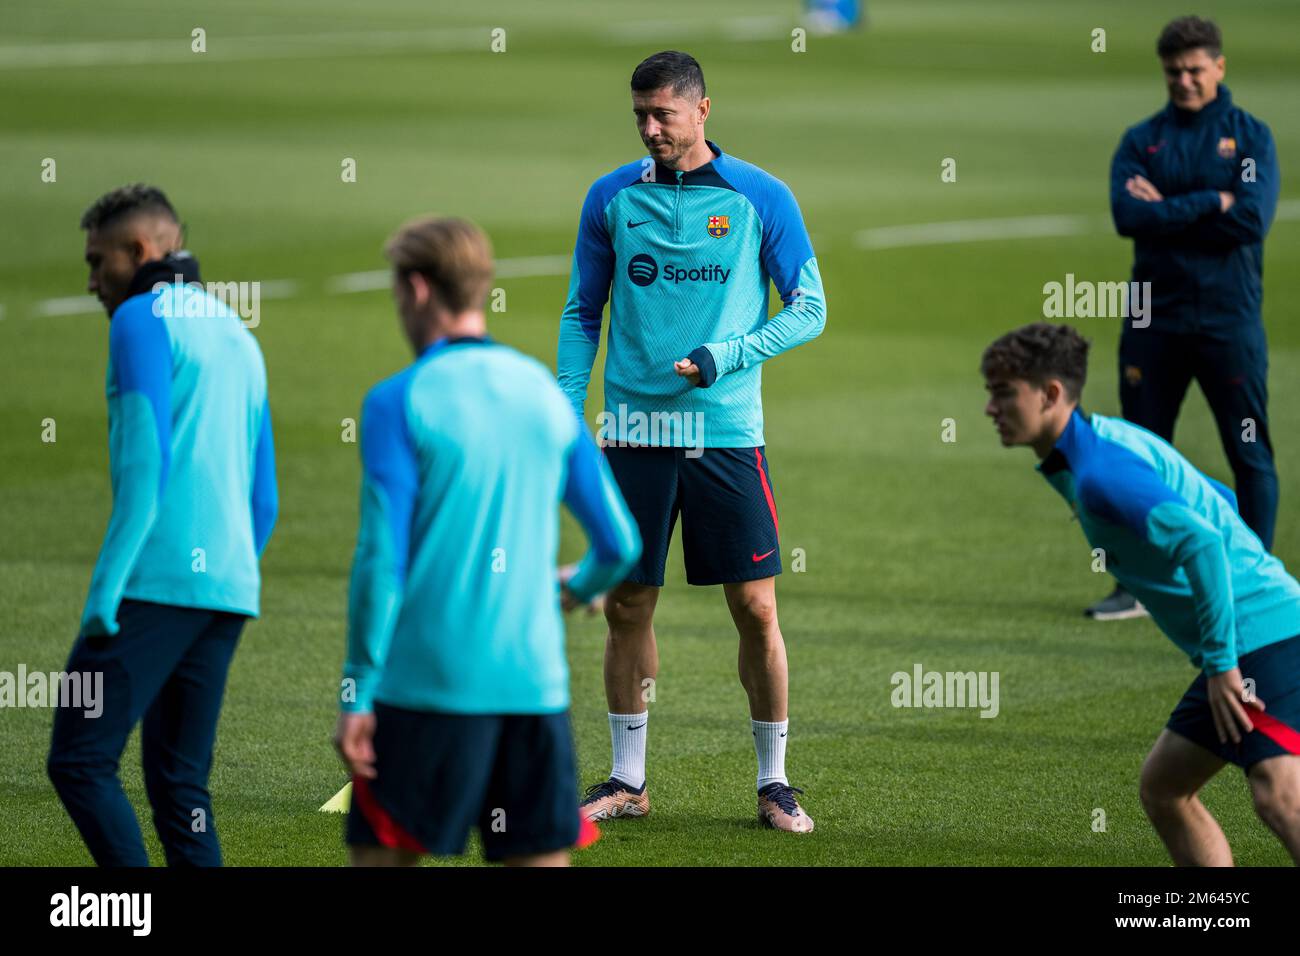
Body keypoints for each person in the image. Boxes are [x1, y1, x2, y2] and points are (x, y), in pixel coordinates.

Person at [557, 50, 825, 832]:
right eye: (639, 115)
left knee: (755, 606)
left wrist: (726, 355)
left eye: (663, 115)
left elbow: (809, 307)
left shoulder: (759, 197)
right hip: (634, 433)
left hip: (727, 433)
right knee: (628, 603)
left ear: (702, 110)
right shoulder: (610, 197)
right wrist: (570, 408)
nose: (650, 129)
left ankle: (775, 782)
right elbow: (582, 314)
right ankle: (627, 779)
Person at [335, 216, 641, 867]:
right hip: (533, 687)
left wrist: (358, 690)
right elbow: (618, 543)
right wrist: (574, 587)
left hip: (426, 685)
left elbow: (380, 560)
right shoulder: (543, 394)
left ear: (417, 289)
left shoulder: (397, 400)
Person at [983, 322, 1300, 865]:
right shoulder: (1106, 439)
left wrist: (1223, 663)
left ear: (1052, 394)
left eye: (1004, 393)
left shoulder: (1101, 473)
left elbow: (1202, 543)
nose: (991, 407)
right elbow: (1217, 497)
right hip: (1242, 640)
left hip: (1260, 641)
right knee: (1165, 789)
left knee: (1278, 795)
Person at [48, 184, 278, 866]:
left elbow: (146, 470)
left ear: (141, 251)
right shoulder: (236, 331)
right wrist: (230, 576)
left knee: (80, 760)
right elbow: (263, 498)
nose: (93, 283)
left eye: (99, 263)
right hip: (228, 589)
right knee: (181, 787)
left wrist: (104, 593)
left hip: (158, 582)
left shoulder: (140, 321)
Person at [1095, 15, 1280, 621]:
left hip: (1229, 320)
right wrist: (1210, 203)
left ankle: (1255, 578)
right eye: (1174, 71)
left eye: (1196, 69)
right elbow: (1128, 216)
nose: (1184, 81)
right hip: (1152, 323)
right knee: (1142, 456)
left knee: (1248, 450)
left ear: (1219, 67)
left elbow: (1250, 220)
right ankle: (1141, 584)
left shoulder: (1249, 139)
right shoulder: (1142, 140)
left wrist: (1169, 208)